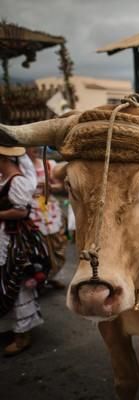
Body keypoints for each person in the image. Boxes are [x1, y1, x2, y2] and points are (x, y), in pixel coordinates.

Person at [0, 146, 47, 356]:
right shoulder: (4, 179)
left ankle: (23, 334)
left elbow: (20, 211)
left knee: (16, 279)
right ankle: (11, 327)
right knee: (5, 279)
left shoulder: (17, 181)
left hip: (13, 240)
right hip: (3, 236)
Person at [25, 147, 67, 289]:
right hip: (31, 211)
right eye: (32, 146)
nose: (35, 149)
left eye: (37, 146)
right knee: (37, 244)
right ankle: (38, 276)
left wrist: (50, 187)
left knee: (57, 242)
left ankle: (53, 275)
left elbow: (61, 186)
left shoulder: (50, 164)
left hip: (50, 209)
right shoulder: (20, 167)